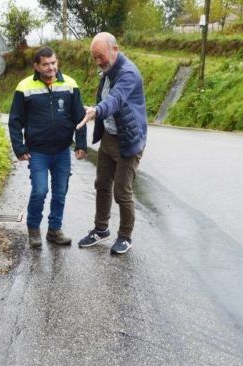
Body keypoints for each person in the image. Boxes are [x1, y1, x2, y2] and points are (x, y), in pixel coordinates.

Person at [8, 46, 88, 248]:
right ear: (37, 66)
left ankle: (54, 230)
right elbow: (15, 121)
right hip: (38, 152)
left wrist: (81, 143)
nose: (51, 67)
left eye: (53, 63)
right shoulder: (24, 87)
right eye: (45, 64)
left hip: (62, 151)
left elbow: (80, 117)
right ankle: (33, 229)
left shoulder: (70, 84)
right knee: (40, 190)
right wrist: (19, 148)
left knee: (60, 192)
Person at [76, 32, 147, 255]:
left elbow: (114, 100)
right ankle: (101, 229)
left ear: (114, 50)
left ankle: (125, 236)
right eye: (94, 57)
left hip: (128, 139)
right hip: (109, 136)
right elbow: (105, 99)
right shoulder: (107, 71)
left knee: (121, 191)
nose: (98, 61)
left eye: (101, 56)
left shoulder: (128, 73)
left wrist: (97, 111)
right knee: (102, 184)